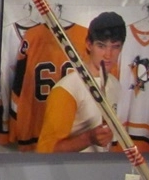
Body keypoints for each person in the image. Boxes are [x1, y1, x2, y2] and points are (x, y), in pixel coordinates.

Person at [36, 12, 124, 154]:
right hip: (72, 168)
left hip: (101, 166)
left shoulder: (115, 85)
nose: (108, 55)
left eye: (115, 47)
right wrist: (89, 138)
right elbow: (45, 151)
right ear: (89, 44)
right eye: (101, 46)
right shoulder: (67, 90)